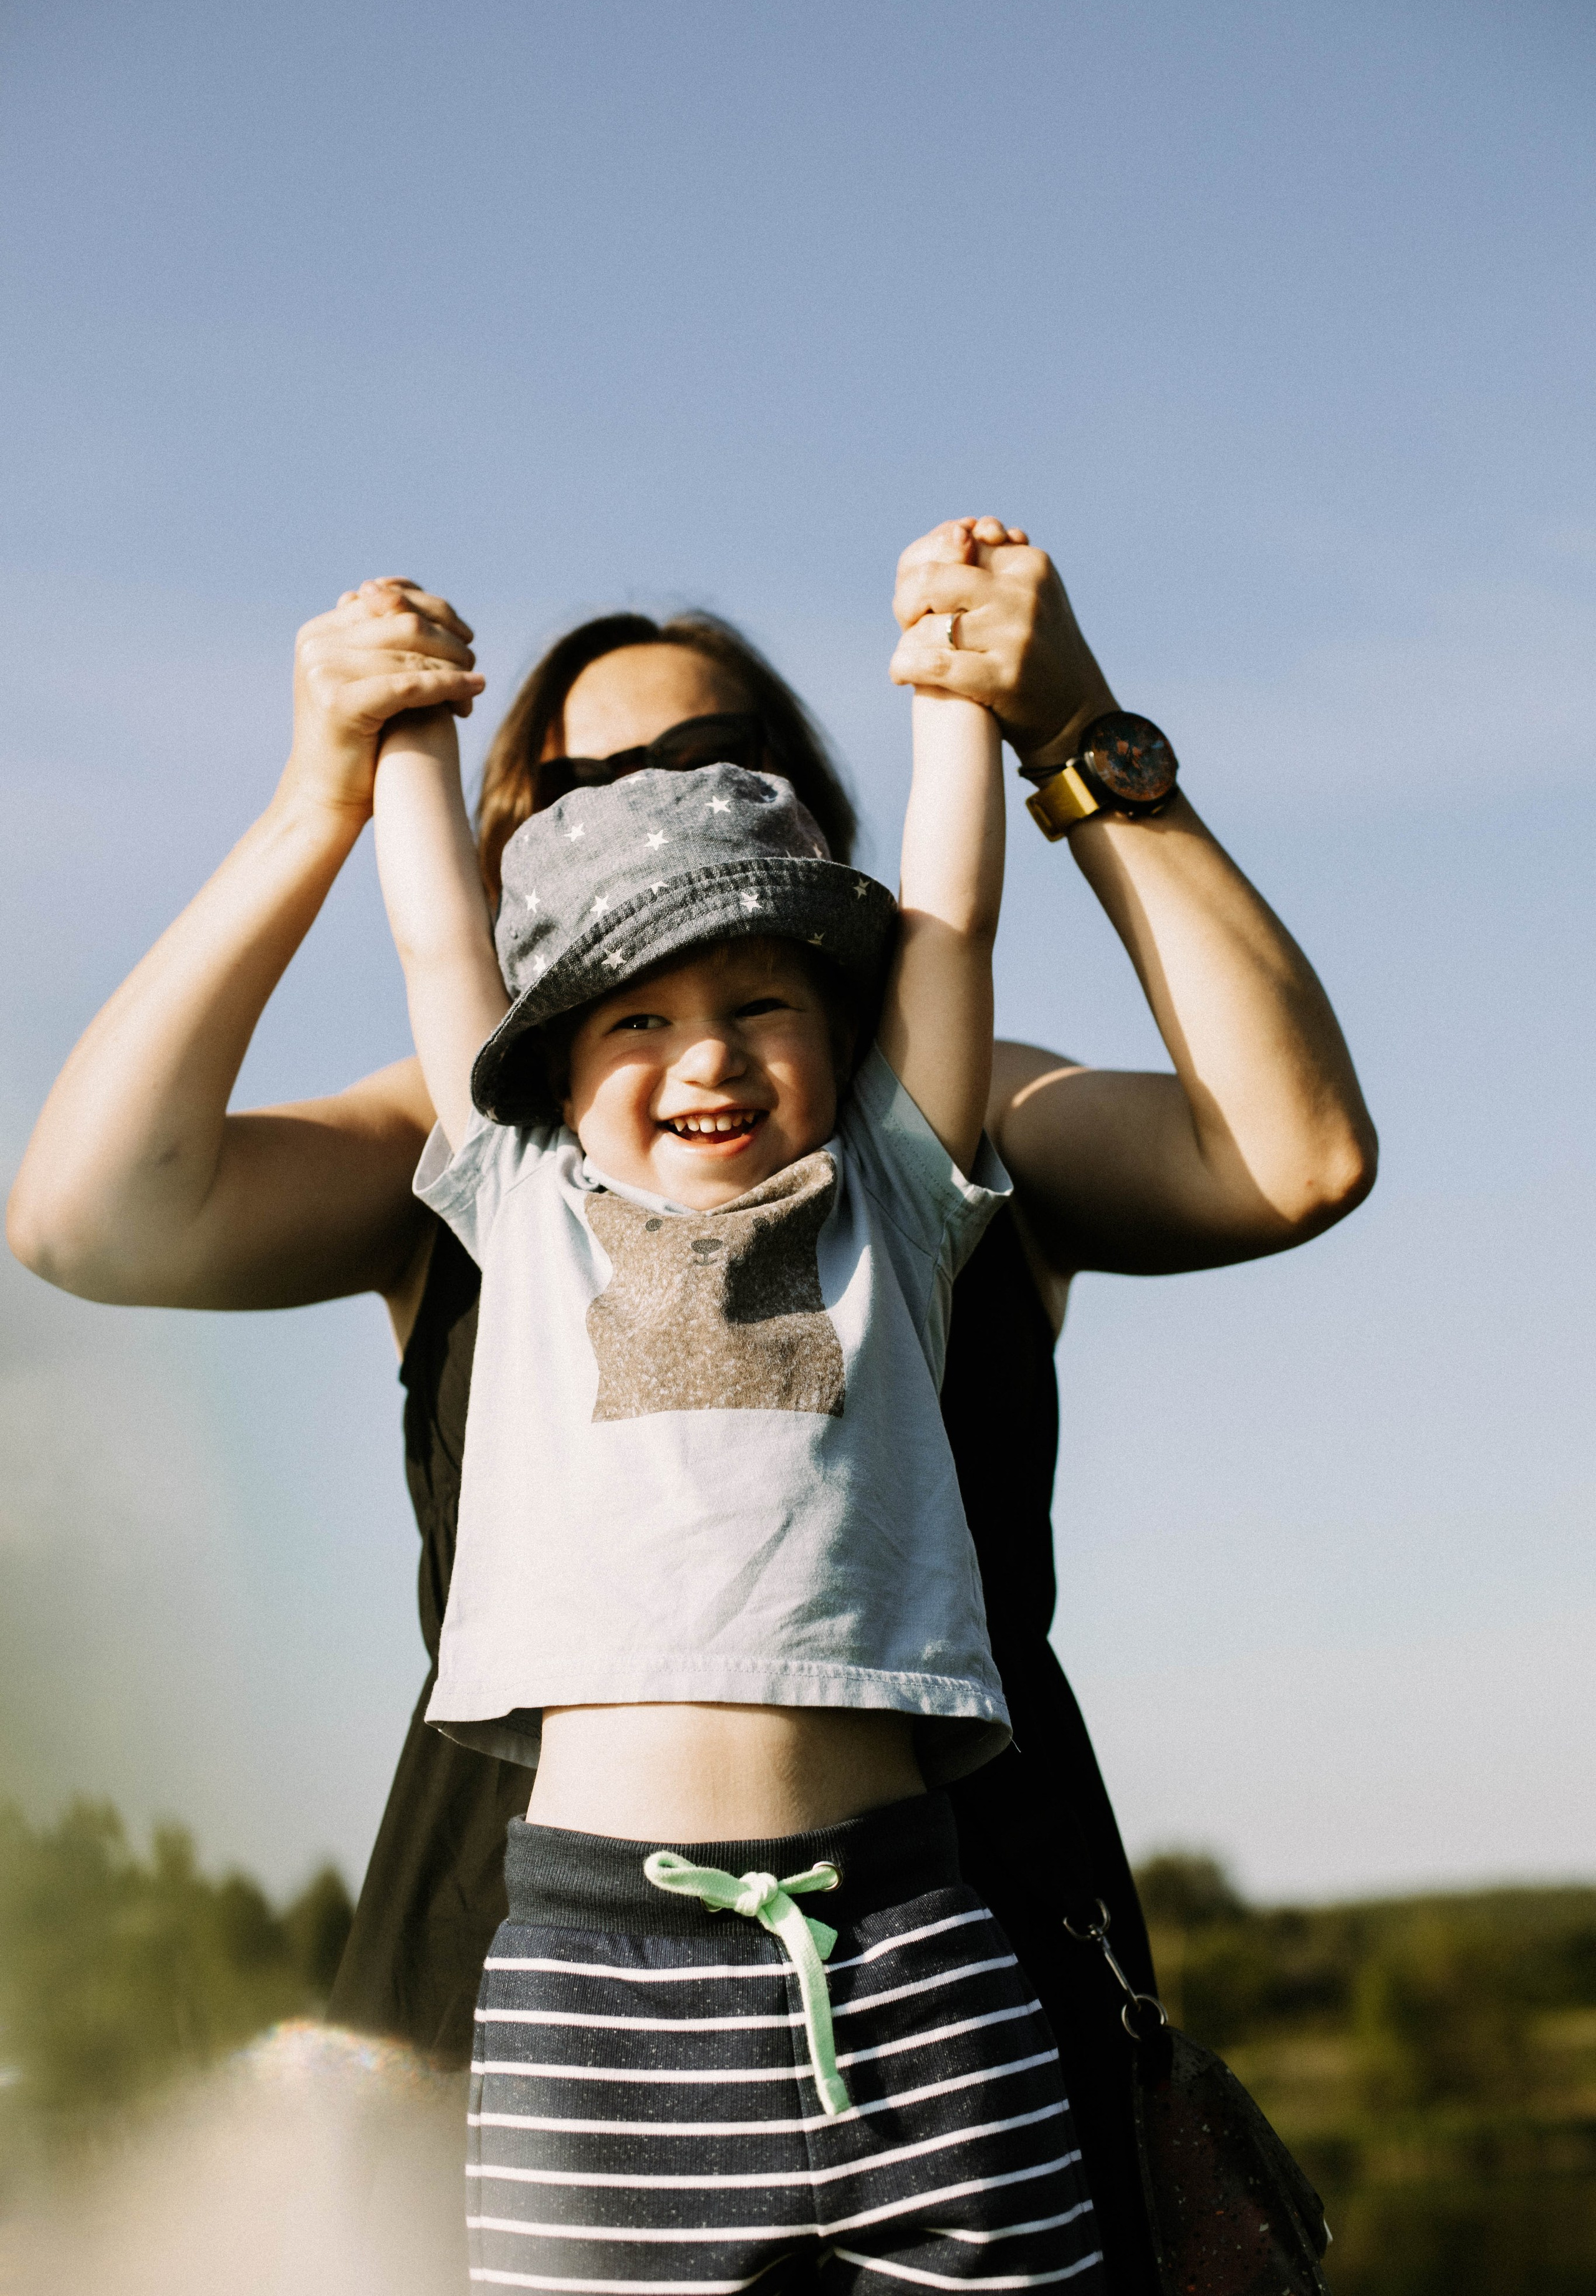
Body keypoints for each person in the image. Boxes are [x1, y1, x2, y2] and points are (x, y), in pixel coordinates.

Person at [5, 519, 1377, 2295]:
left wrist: (1054, 724)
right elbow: (83, 1215)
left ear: (812, 823)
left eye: (710, 765)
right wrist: (327, 794)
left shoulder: (933, 1141)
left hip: (957, 1955)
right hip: (531, 2009)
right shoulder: (481, 1162)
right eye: (588, 781)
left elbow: (1297, 1156)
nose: (654, 807)